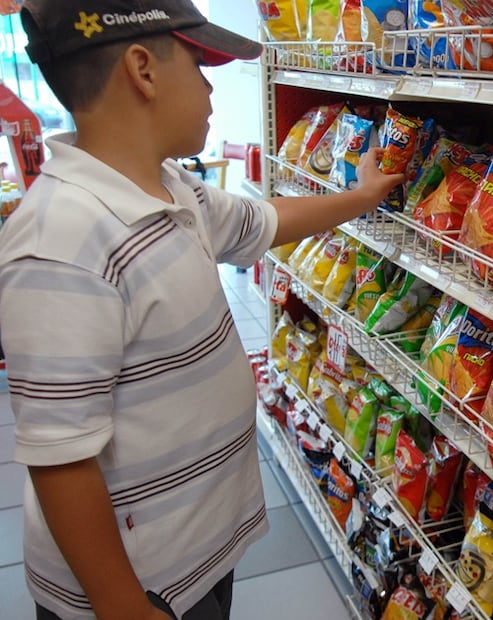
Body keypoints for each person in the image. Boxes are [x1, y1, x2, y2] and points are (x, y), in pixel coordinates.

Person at [0, 1, 404, 619]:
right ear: (143, 70)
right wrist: (122, 607)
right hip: (135, 588)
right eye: (199, 63)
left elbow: (267, 223)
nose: (212, 84)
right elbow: (62, 458)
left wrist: (360, 198)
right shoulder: (59, 242)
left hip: (197, 555)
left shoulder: (173, 189)